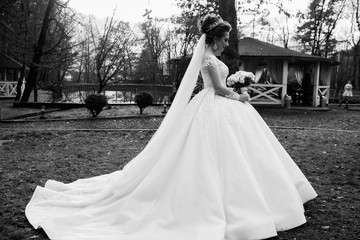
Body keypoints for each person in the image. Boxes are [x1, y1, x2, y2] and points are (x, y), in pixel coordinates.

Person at [25, 14, 317, 240]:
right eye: (225, 39)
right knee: (207, 152)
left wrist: (235, 89)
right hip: (212, 104)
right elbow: (217, 88)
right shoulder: (208, 59)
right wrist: (238, 94)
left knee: (239, 150)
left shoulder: (212, 57)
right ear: (214, 40)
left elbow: (220, 85)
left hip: (213, 106)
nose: (228, 43)